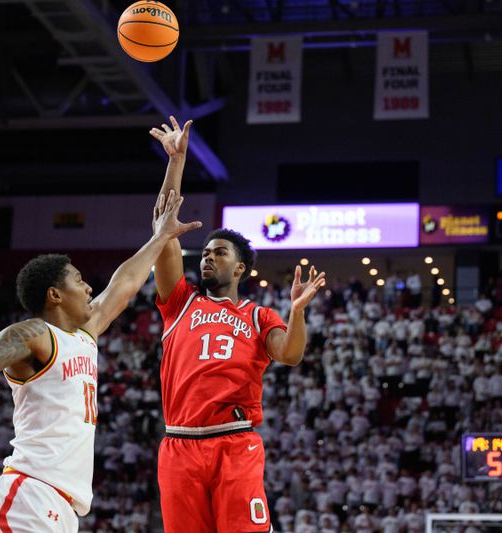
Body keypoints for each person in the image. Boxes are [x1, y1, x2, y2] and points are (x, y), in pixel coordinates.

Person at [0, 192, 201, 532]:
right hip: (27, 498)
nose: (89, 287)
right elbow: (4, 345)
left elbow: (126, 282)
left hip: (60, 508)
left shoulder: (85, 336)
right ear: (55, 295)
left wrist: (162, 235)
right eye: (78, 280)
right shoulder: (38, 333)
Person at [149, 117, 326, 533]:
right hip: (179, 444)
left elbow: (291, 355)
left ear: (240, 267)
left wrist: (297, 311)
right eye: (206, 252)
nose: (208, 257)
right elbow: (163, 228)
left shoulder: (258, 316)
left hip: (235, 441)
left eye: (220, 252)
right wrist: (177, 161)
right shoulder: (180, 302)